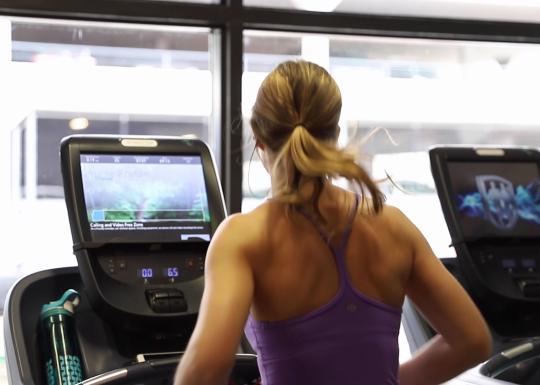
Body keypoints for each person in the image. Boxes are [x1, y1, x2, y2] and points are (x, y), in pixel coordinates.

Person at [173, 60, 492, 385]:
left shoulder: (244, 237)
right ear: (335, 134)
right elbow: (473, 340)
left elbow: (203, 372)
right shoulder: (394, 225)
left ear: (258, 138)